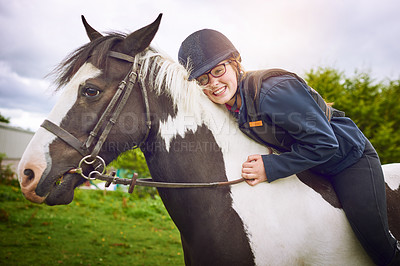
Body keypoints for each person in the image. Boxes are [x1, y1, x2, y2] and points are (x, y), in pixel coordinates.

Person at [178, 29, 400, 265]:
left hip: (347, 159)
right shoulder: (231, 104)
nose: (213, 83)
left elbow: (325, 143)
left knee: (377, 245)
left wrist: (270, 167)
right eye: (203, 79)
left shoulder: (274, 90)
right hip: (311, 165)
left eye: (218, 71)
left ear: (235, 63)